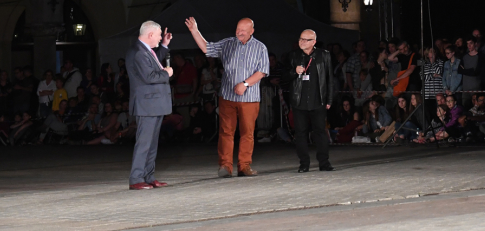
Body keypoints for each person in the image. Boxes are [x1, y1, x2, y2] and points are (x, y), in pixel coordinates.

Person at [185, 16, 270, 178]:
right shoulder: (227, 43)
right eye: (238, 30)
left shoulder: (260, 48)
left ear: (252, 31)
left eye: (244, 31)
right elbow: (207, 49)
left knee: (247, 133)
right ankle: (225, 166)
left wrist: (245, 84)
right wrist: (195, 31)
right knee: (226, 132)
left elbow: (262, 71)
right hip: (228, 97)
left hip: (249, 98)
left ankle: (244, 166)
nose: (240, 33)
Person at [126, 20, 174, 190]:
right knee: (144, 142)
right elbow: (150, 77)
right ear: (150, 35)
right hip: (147, 104)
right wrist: (166, 73)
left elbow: (153, 62)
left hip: (153, 104)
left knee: (152, 143)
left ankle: (148, 176)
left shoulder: (145, 51)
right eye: (159, 35)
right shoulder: (139, 53)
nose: (160, 38)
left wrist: (165, 45)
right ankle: (136, 178)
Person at [288, 28, 334, 173]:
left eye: (305, 40)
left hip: (318, 100)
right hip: (299, 100)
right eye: (300, 39)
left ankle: (324, 162)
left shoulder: (323, 55)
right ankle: (304, 163)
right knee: (300, 133)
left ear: (313, 42)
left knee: (320, 132)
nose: (302, 42)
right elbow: (285, 76)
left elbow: (329, 79)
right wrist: (293, 72)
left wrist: (329, 99)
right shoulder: (294, 55)